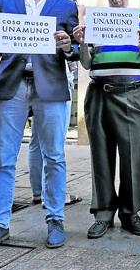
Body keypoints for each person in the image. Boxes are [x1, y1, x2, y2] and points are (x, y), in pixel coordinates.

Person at [0, 0, 78, 258]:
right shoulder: (4, 2)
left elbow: (73, 48)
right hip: (13, 86)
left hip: (51, 86)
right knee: (3, 159)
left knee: (55, 156)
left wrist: (67, 44)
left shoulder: (64, 5)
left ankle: (56, 220)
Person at [72, 0, 140, 239]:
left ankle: (130, 213)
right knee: (101, 155)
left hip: (131, 93)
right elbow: (87, 64)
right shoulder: (95, 20)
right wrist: (83, 44)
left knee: (132, 155)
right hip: (99, 92)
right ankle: (103, 214)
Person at [29, 61, 82, 207]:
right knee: (55, 142)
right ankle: (53, 195)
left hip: (32, 79)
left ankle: (38, 192)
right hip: (55, 80)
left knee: (36, 139)